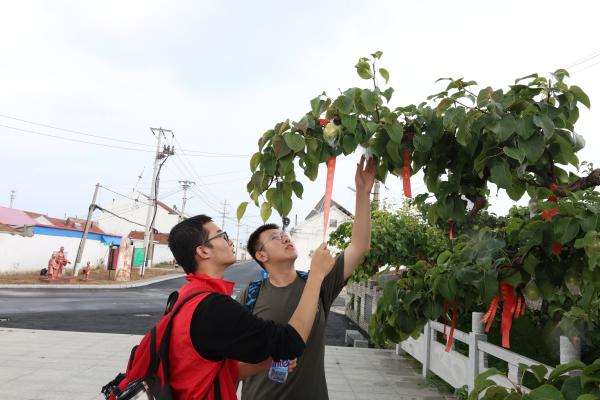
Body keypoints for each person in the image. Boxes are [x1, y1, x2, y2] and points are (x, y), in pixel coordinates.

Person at [238, 155, 376, 400]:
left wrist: (363, 194)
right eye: (274, 238)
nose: (285, 237)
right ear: (261, 255)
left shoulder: (317, 283)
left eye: (284, 233)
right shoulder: (250, 295)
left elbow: (359, 247)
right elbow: (232, 358)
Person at [161, 214, 335, 399]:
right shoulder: (214, 308)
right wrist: (316, 274)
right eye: (222, 235)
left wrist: (265, 363)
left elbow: (220, 370)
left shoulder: (185, 297)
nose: (230, 242)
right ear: (203, 251)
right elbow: (289, 343)